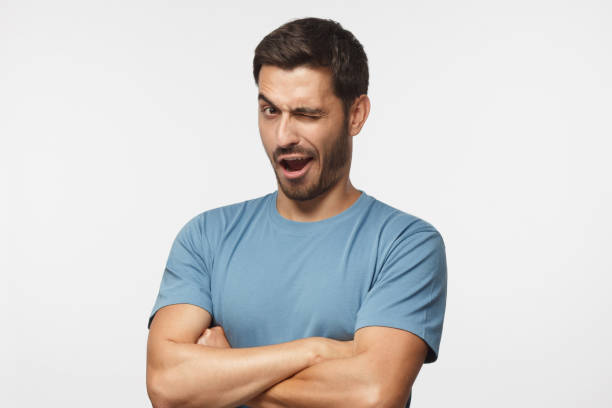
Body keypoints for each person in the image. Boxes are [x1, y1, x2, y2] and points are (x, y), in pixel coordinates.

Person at [146, 17, 447, 408]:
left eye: (306, 114)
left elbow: (373, 394)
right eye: (270, 110)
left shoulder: (405, 244)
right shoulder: (206, 236)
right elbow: (168, 384)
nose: (284, 136)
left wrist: (222, 370)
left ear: (355, 115)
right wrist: (317, 351)